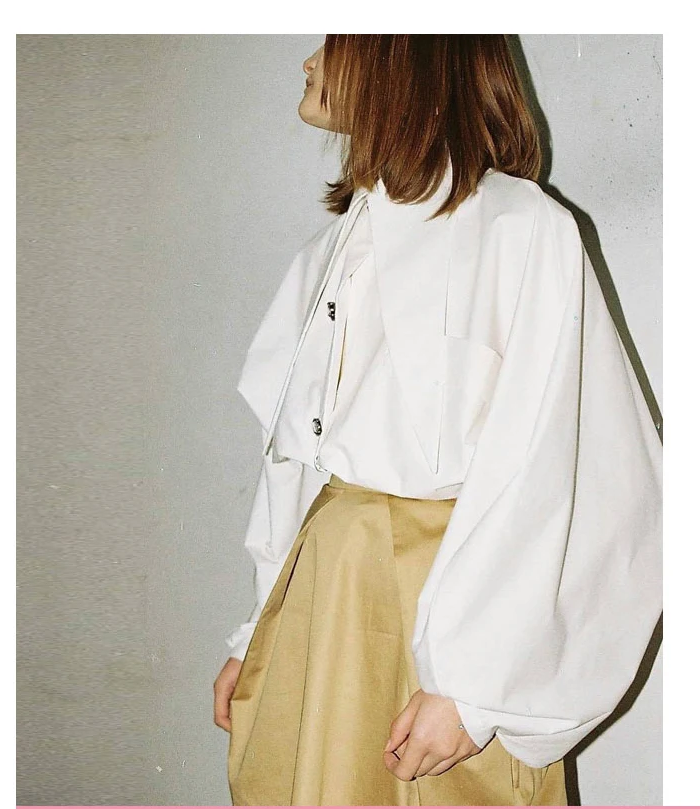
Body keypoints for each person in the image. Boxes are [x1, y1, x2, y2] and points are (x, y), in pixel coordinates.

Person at [213, 34, 662, 807]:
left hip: (453, 614)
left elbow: (567, 470)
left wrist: (474, 689)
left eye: (333, 39)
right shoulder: (331, 250)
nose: (309, 61)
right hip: (324, 597)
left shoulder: (518, 227)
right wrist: (256, 631)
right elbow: (292, 465)